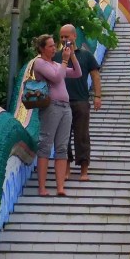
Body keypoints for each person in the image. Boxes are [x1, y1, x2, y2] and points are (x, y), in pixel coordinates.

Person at [28, 33, 81, 197]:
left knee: (62, 147)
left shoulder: (57, 64)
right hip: (51, 106)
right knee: (45, 145)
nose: (54, 48)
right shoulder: (39, 63)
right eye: (50, 46)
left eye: (54, 45)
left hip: (65, 107)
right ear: (42, 48)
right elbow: (57, 79)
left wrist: (71, 55)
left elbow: (77, 73)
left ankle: (60, 187)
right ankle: (42, 187)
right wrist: (65, 61)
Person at [55, 23, 101, 182]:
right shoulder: (56, 56)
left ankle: (84, 169)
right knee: (63, 137)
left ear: (74, 36)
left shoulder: (86, 55)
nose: (64, 39)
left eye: (66, 36)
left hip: (80, 100)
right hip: (60, 102)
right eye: (61, 36)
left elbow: (95, 75)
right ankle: (66, 168)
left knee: (81, 136)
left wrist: (97, 96)